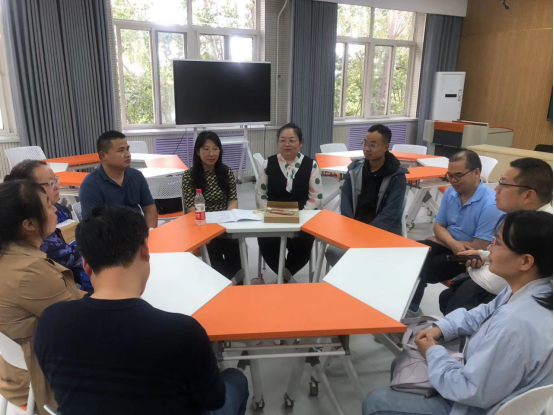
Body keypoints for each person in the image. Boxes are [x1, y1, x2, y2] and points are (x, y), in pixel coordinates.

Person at [34, 206, 249, 415]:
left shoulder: (50, 322)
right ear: (145, 250)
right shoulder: (183, 333)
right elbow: (213, 399)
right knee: (235, 379)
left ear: (86, 264)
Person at [363, 210, 553, 415]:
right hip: (483, 385)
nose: (489, 249)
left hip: (475, 405)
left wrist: (433, 352)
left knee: (376, 403)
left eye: (497, 243)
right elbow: (485, 312)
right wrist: (443, 327)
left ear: (525, 262)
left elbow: (468, 389)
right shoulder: (534, 288)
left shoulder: (515, 325)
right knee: (405, 363)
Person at [0, 181, 86, 415]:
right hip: (41, 377)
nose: (55, 209)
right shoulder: (30, 270)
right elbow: (80, 321)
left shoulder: (11, 255)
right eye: (48, 205)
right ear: (29, 224)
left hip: (14, 371)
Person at [440, 158, 553, 314]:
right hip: (499, 291)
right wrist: (483, 255)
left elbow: (495, 283)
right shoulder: (521, 219)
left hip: (514, 302)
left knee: (459, 299)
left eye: (504, 184)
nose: (496, 189)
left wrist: (472, 267)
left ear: (528, 195)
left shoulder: (543, 231)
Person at [409, 150, 503, 316]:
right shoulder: (451, 192)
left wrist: (441, 238)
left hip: (468, 257)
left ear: (476, 173)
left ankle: (411, 309)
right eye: (450, 175)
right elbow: (438, 226)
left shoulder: (490, 204)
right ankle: (411, 307)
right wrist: (452, 242)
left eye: (458, 175)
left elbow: (477, 247)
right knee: (410, 254)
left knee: (422, 267)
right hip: (453, 245)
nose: (453, 180)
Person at [326, 124, 408, 267]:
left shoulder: (397, 177)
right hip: (353, 229)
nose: (367, 148)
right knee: (332, 252)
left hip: (383, 233)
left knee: (352, 258)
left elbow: (390, 214)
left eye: (373, 145)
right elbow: (345, 201)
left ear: (386, 147)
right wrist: (351, 228)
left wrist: (365, 234)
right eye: (365, 143)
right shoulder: (354, 170)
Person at [4, 160, 92, 292]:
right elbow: (74, 258)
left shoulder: (60, 210)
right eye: (51, 183)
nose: (57, 186)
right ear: (29, 190)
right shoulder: (36, 236)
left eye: (56, 180)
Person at [256, 123, 323, 280]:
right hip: (273, 216)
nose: (287, 144)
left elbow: (316, 196)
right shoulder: (268, 163)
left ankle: (283, 279)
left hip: (302, 218)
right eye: (282, 140)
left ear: (300, 143)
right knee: (265, 241)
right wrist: (270, 214)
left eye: (292, 140)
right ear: (278, 143)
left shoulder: (311, 165)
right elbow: (260, 193)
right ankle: (285, 278)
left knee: (304, 243)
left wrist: (301, 217)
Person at [182, 131, 242, 280]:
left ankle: (235, 283)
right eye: (206, 149)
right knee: (213, 251)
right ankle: (226, 283)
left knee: (236, 247)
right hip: (202, 228)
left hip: (225, 225)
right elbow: (191, 209)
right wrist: (210, 229)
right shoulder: (189, 176)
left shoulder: (226, 172)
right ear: (198, 151)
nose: (211, 153)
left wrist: (227, 222)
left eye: (215, 149)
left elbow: (233, 201)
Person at [79, 130, 158, 228]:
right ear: (103, 156)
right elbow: (93, 227)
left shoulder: (136, 176)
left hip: (138, 233)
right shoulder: (90, 185)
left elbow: (150, 209)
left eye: (127, 149)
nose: (127, 154)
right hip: (109, 235)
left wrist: (150, 232)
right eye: (121, 150)